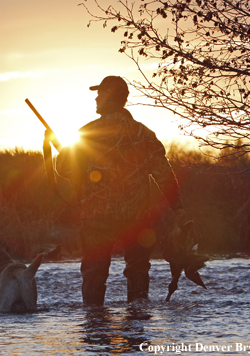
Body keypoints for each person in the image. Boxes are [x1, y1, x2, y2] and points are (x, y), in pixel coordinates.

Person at [51, 75, 189, 306]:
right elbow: (164, 177)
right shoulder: (142, 134)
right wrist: (179, 210)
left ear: (111, 97)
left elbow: (65, 169)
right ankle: (137, 331)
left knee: (94, 273)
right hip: (136, 219)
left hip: (97, 219)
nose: (96, 98)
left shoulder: (87, 133)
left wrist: (60, 148)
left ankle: (94, 329)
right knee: (138, 272)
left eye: (100, 93)